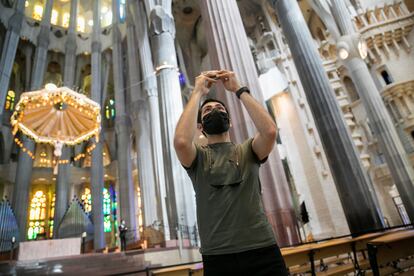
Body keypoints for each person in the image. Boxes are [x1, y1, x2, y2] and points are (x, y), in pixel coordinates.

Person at [174, 70, 288, 275]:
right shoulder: (198, 158)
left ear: (230, 121)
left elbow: (270, 131)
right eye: (207, 110)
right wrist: (198, 91)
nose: (214, 110)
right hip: (218, 256)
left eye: (219, 108)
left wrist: (238, 89)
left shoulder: (248, 150)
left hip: (262, 250)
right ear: (200, 127)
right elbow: (182, 141)